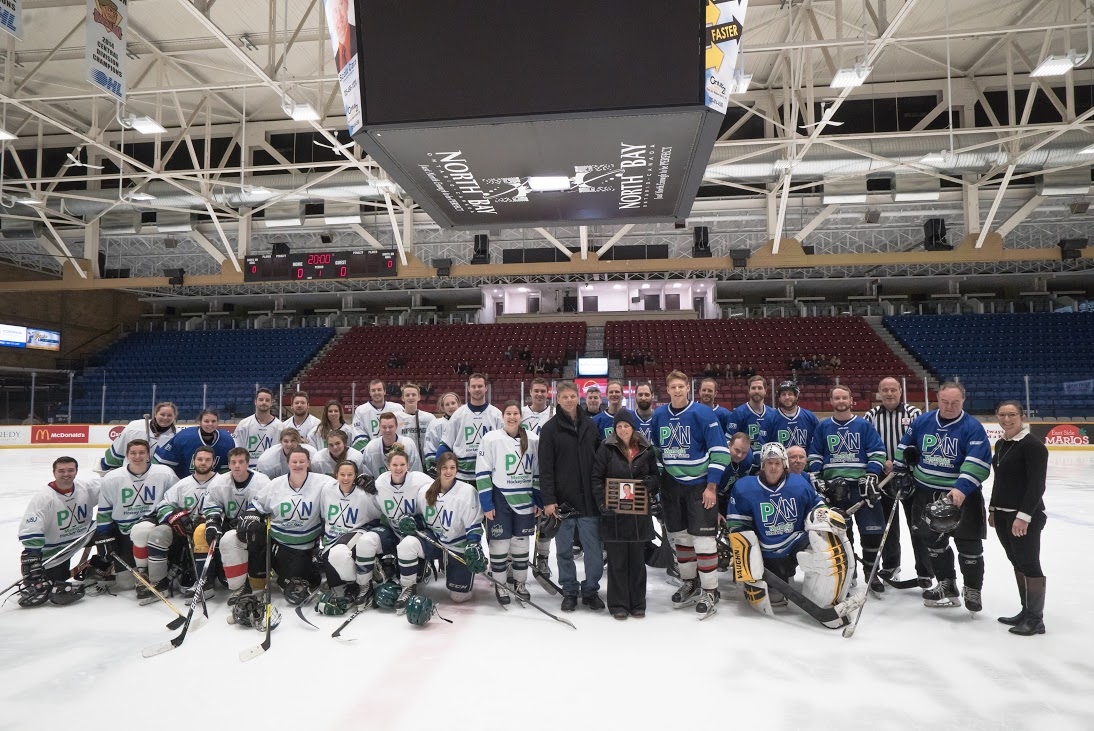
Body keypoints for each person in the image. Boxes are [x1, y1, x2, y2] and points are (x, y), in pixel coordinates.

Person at [726, 442, 860, 628]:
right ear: (763, 464)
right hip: (766, 551)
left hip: (795, 541)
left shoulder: (798, 483)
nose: (773, 467)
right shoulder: (744, 488)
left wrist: (828, 514)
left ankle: (827, 599)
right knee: (776, 601)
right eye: (769, 463)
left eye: (778, 463)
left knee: (826, 547)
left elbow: (817, 506)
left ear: (784, 465)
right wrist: (746, 559)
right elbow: (737, 525)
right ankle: (775, 581)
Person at [895, 381, 991, 612]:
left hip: (961, 496)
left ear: (963, 401)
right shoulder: (922, 421)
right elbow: (904, 446)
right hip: (926, 493)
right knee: (933, 543)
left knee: (968, 544)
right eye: (945, 402)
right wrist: (901, 471)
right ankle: (946, 585)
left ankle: (973, 589)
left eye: (955, 403)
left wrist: (960, 488)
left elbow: (978, 462)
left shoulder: (972, 427)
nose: (949, 407)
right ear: (938, 399)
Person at [650, 370, 730, 616]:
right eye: (672, 387)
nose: (676, 391)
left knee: (704, 540)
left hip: (700, 486)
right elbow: (657, 451)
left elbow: (720, 452)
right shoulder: (659, 415)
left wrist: (711, 487)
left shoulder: (703, 414)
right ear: (668, 390)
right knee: (682, 539)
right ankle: (690, 583)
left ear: (688, 389)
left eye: (680, 387)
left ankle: (710, 589)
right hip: (672, 487)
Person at [808, 385, 887, 594]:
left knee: (872, 531)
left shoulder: (864, 426)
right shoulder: (823, 427)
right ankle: (848, 571)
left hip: (862, 487)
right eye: (837, 398)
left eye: (844, 398)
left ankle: (872, 572)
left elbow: (877, 452)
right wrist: (816, 476)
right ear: (831, 401)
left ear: (851, 400)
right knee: (842, 533)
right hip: (835, 488)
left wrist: (872, 474)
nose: (840, 401)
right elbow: (815, 454)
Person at [237, 447, 337, 606]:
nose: (298, 465)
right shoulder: (276, 484)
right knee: (253, 535)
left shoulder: (323, 482)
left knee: (299, 583)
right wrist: (252, 514)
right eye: (294, 462)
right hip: (279, 543)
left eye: (302, 461)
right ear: (288, 463)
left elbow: (345, 485)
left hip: (304, 546)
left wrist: (362, 482)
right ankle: (247, 582)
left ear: (308, 463)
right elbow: (256, 504)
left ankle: (304, 567)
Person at [539, 381, 604, 612]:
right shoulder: (549, 429)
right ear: (557, 400)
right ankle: (569, 590)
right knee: (564, 551)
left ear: (578, 398)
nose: (568, 400)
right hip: (562, 503)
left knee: (594, 551)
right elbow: (545, 468)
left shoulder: (590, 425)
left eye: (572, 396)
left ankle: (590, 590)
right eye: (564, 397)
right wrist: (548, 499)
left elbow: (599, 461)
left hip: (589, 501)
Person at [592, 410, 659, 620]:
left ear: (633, 428)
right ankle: (618, 604)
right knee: (617, 562)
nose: (623, 429)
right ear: (615, 428)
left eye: (626, 426)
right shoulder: (606, 448)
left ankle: (638, 603)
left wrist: (651, 483)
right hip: (615, 516)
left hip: (639, 516)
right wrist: (602, 502)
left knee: (637, 562)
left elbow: (656, 476)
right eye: (619, 426)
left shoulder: (646, 449)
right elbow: (596, 478)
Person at [989, 400, 1049, 636]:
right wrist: (993, 508)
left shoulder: (1033, 446)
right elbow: (999, 480)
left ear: (1021, 416)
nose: (1007, 419)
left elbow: (1037, 485)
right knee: (1017, 561)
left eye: (1012, 414)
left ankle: (1036, 620)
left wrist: (1024, 516)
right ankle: (1026, 610)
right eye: (1002, 414)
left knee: (1030, 563)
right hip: (1003, 515)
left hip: (1025, 517)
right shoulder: (1002, 444)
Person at [864, 377, 930, 587]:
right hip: (883, 477)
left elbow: (922, 443)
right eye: (885, 390)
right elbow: (866, 444)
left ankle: (925, 571)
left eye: (893, 390)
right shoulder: (870, 415)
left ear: (900, 391)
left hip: (911, 477)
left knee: (917, 525)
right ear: (879, 393)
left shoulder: (913, 413)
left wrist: (902, 462)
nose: (889, 394)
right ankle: (891, 565)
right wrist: (883, 462)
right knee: (887, 525)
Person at [95, 439, 179, 596]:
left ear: (148, 455)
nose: (137, 456)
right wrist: (104, 535)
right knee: (125, 584)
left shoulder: (164, 473)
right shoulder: (113, 478)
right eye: (133, 453)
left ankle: (143, 573)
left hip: (153, 526)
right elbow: (105, 509)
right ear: (127, 455)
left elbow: (175, 500)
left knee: (142, 530)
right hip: (124, 532)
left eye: (142, 452)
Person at [477, 401, 540, 605]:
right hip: (500, 498)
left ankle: (520, 583)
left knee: (521, 543)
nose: (512, 417)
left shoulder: (533, 439)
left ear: (521, 417)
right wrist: (487, 503)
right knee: (499, 543)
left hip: (525, 499)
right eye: (508, 413)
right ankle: (500, 584)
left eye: (515, 414)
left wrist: (538, 499)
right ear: (502, 416)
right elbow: (483, 471)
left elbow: (538, 472)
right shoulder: (491, 439)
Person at [16, 456, 100, 607]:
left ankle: (101, 567)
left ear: (76, 471)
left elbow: (113, 483)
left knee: (111, 531)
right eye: (61, 471)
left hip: (84, 535)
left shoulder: (85, 488)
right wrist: (32, 554)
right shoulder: (44, 498)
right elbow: (31, 527)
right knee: (54, 583)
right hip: (56, 551)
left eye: (70, 470)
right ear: (54, 472)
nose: (66, 474)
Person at [371, 444, 440, 612]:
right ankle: (368, 583)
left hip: (418, 533)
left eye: (402, 464)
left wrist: (419, 522)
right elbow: (375, 508)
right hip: (394, 532)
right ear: (388, 466)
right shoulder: (380, 482)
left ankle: (409, 585)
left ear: (408, 465)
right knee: (369, 542)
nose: (398, 468)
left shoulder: (420, 480)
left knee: (408, 547)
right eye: (394, 465)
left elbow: (436, 504)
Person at [203, 446, 270, 604]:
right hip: (230, 524)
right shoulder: (219, 482)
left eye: (241, 462)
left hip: (256, 526)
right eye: (233, 462)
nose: (237, 465)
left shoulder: (262, 481)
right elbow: (212, 504)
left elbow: (269, 505)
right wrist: (213, 521)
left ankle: (258, 581)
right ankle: (238, 586)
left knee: (249, 537)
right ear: (229, 464)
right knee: (224, 538)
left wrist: (255, 515)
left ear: (248, 463)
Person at [151, 445, 220, 597]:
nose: (203, 462)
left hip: (211, 533)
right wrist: (175, 517)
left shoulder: (222, 482)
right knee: (158, 532)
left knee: (202, 532)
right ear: (193, 461)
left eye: (207, 460)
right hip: (184, 532)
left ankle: (205, 581)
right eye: (200, 459)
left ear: (213, 462)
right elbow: (163, 506)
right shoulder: (182, 484)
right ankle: (158, 581)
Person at [314, 460, 384, 607]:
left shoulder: (363, 494)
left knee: (338, 554)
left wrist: (375, 489)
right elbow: (323, 515)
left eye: (350, 475)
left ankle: (364, 584)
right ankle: (358, 580)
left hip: (356, 534)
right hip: (331, 539)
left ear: (355, 476)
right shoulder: (327, 489)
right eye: (342, 474)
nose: (346, 478)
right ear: (336, 475)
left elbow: (380, 512)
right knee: (334, 576)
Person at [437, 373, 503, 483]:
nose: (477, 389)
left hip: (489, 474)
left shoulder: (496, 415)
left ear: (486, 388)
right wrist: (439, 471)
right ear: (468, 389)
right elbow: (445, 445)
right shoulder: (458, 415)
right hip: (462, 475)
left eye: (480, 386)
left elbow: (503, 446)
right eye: (473, 386)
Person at [153, 409, 234, 478]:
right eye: (206, 421)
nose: (210, 424)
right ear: (199, 422)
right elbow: (165, 463)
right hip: (183, 484)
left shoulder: (227, 440)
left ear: (217, 422)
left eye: (213, 421)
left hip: (212, 486)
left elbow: (226, 470)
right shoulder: (184, 437)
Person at [101, 401, 178, 471]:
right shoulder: (134, 427)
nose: (165, 418)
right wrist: (107, 466)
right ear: (155, 414)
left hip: (157, 478)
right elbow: (118, 450)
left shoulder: (177, 436)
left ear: (174, 417)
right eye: (162, 414)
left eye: (169, 415)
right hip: (129, 474)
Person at [233, 388, 283, 468]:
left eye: (267, 400)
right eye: (261, 400)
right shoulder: (244, 424)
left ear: (271, 403)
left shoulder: (280, 426)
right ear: (255, 402)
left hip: (271, 469)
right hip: (248, 469)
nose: (264, 402)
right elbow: (238, 448)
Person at [363, 412, 423, 478]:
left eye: (390, 427)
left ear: (396, 426)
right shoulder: (371, 447)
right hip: (378, 487)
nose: (387, 430)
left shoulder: (408, 444)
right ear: (379, 427)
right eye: (384, 427)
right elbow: (366, 474)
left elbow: (417, 472)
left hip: (406, 487)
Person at [728, 375, 778, 452]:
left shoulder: (773, 414)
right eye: (753, 388)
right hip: (745, 460)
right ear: (749, 390)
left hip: (768, 460)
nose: (756, 391)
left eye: (760, 388)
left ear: (765, 390)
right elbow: (730, 440)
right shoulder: (739, 413)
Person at [770, 381, 819, 450]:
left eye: (790, 394)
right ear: (779, 398)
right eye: (783, 394)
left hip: (804, 460)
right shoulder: (770, 418)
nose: (787, 397)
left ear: (796, 396)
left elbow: (818, 442)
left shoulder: (810, 417)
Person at [716, 432, 757, 516]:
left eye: (744, 452)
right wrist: (714, 512)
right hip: (711, 495)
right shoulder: (718, 457)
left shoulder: (748, 459)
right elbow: (705, 488)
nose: (740, 455)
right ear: (729, 445)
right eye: (737, 450)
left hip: (728, 496)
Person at [352, 380, 404, 445]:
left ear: (384, 391)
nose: (376, 393)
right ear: (370, 393)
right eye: (373, 390)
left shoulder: (397, 408)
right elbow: (358, 434)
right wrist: (370, 452)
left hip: (395, 451)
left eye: (379, 390)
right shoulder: (361, 410)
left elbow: (402, 431)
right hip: (371, 452)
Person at [424, 391, 461, 473]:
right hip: (443, 468)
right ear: (443, 407)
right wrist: (435, 467)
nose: (451, 406)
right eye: (447, 404)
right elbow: (430, 448)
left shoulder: (465, 423)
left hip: (462, 468)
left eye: (453, 403)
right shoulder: (436, 424)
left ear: (458, 404)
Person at [398, 383, 436, 460]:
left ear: (419, 397)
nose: (411, 397)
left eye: (414, 395)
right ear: (402, 398)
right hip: (403, 461)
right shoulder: (396, 418)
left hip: (425, 461)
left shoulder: (429, 418)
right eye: (407, 395)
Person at [325, 0, 357, 71]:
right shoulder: (337, 58)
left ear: (347, 5)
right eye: (335, 11)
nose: (339, 17)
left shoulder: (359, 35)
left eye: (341, 6)